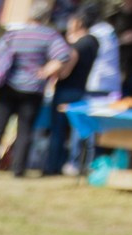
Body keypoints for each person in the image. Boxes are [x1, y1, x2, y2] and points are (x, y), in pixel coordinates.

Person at [0, 0, 67, 179]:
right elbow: (63, 55)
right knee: (25, 130)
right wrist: (44, 71)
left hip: (7, 87)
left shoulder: (14, 34)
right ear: (45, 17)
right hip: (32, 89)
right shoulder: (50, 36)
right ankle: (18, 170)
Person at [37, 10, 98, 176]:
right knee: (72, 131)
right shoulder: (93, 43)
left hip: (67, 90)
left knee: (58, 129)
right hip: (79, 89)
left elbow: (65, 70)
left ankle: (52, 166)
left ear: (78, 22)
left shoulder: (80, 44)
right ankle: (66, 163)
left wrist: (53, 71)